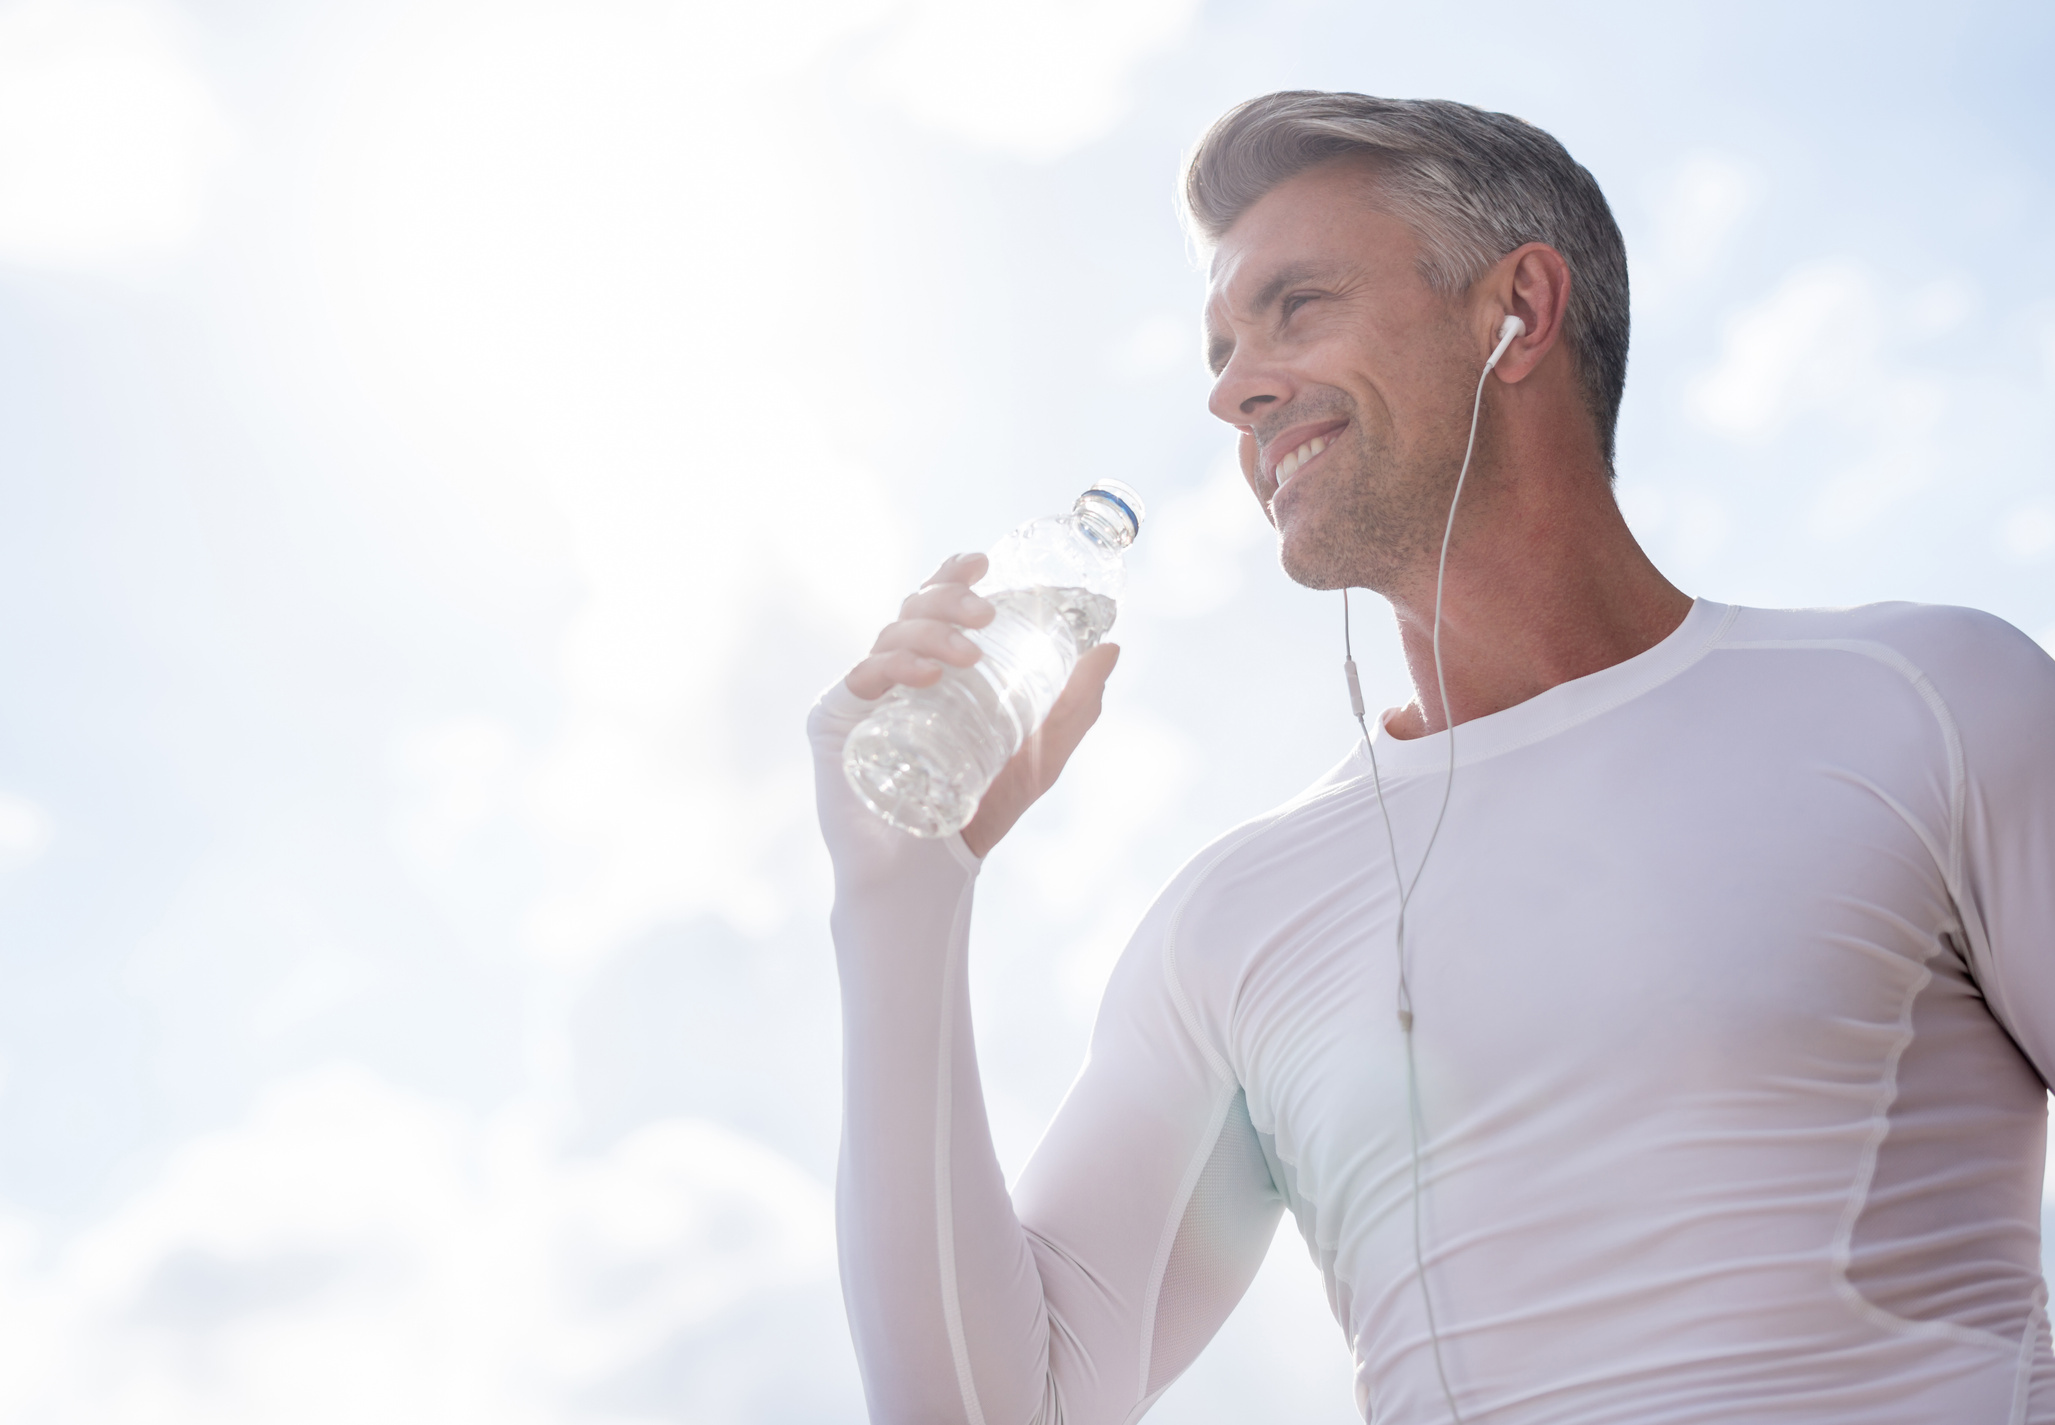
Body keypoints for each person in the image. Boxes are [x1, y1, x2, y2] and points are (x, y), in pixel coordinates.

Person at [806, 91, 2055, 1424]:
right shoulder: (1231, 926)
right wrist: (903, 889)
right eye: (1223, 344)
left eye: (1296, 306)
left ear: (1515, 309)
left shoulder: (1930, 701)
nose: (1233, 387)